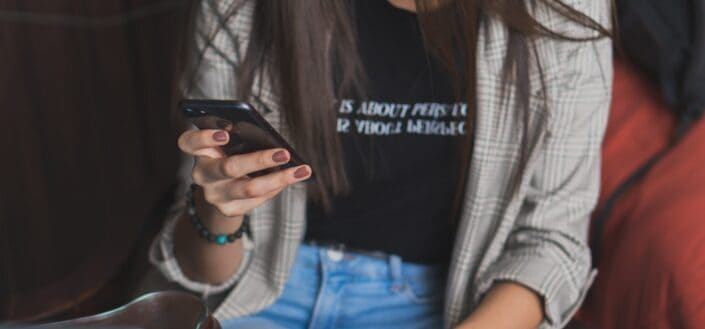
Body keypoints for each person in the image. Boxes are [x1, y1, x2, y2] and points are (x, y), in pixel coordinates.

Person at [150, 0, 612, 328]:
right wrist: (217, 212)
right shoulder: (245, 7)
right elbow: (203, 271)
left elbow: (553, 240)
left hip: (441, 303)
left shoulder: (563, 11)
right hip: (263, 291)